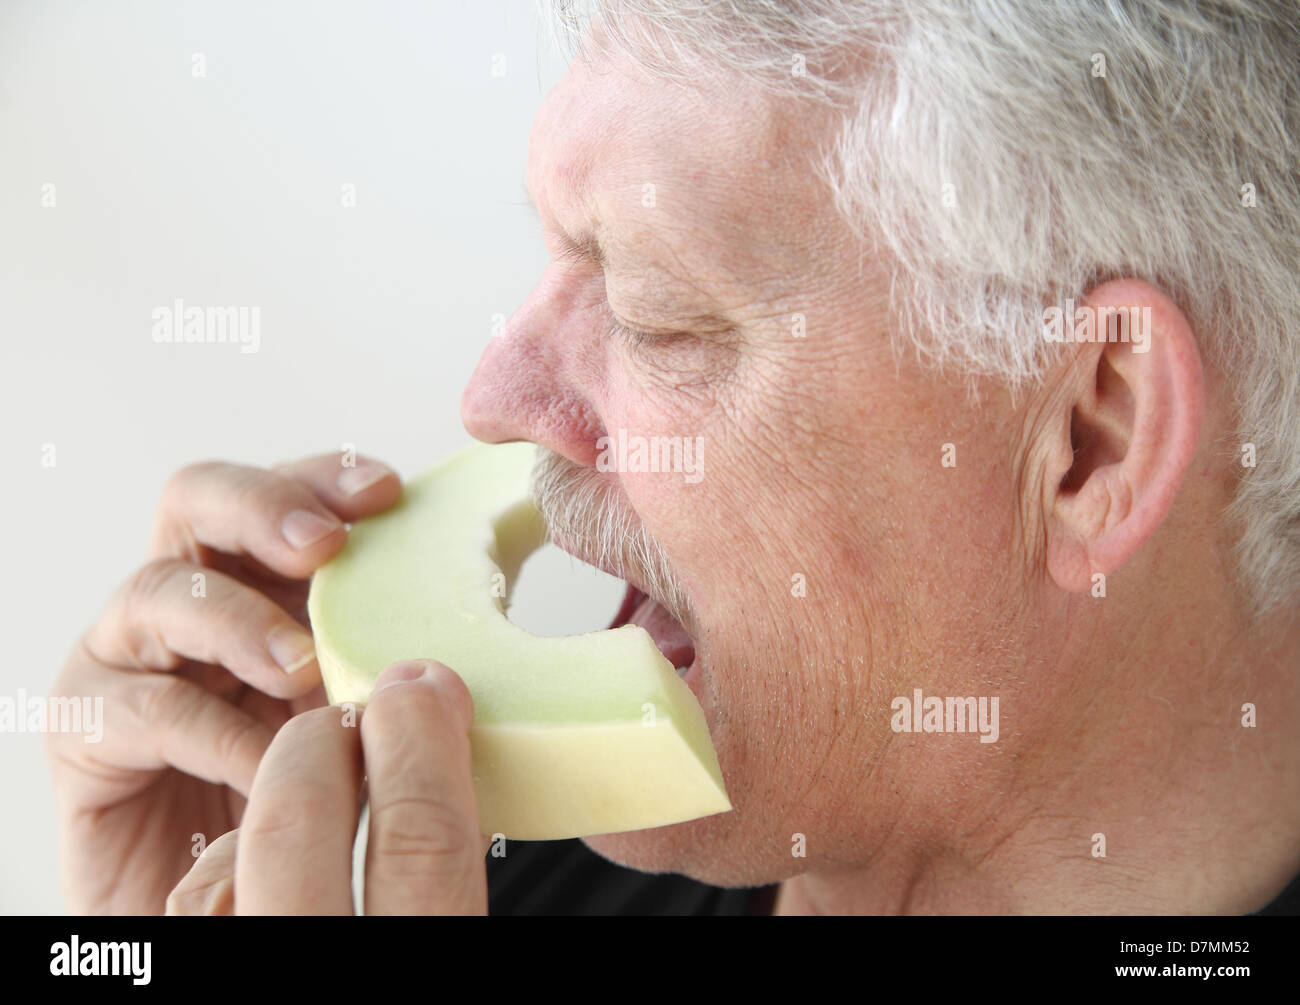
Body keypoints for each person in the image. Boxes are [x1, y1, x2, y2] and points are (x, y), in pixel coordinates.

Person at [48, 0, 1300, 914]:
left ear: (1091, 440)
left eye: (656, 313)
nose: (493, 399)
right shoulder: (470, 880)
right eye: (556, 263)